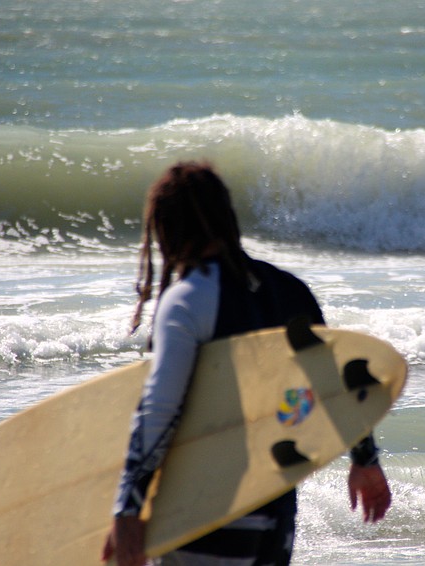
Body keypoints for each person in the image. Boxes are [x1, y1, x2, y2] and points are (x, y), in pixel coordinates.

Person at [102, 162, 392, 566]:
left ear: (167, 229)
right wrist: (366, 462)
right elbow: (334, 386)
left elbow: (160, 408)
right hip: (275, 514)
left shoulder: (187, 299)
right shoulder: (290, 290)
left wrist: (128, 508)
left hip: (204, 513)